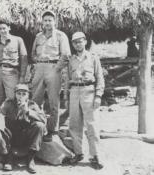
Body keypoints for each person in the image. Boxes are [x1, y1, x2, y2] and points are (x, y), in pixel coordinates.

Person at [64, 32, 105, 169]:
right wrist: (66, 97)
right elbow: (67, 80)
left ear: (85, 42)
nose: (77, 44)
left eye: (80, 41)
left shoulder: (93, 58)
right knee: (74, 125)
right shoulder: (71, 59)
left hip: (89, 91)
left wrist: (98, 95)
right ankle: (78, 153)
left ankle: (95, 156)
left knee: (92, 125)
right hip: (74, 92)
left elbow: (100, 78)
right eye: (75, 42)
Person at [30, 10, 71, 142]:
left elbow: (66, 55)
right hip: (39, 68)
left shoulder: (60, 36)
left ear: (55, 21)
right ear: (42, 22)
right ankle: (37, 127)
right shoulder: (38, 36)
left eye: (50, 20)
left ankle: (53, 130)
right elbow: (33, 54)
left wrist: (56, 68)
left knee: (54, 101)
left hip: (54, 68)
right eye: (45, 20)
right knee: (36, 99)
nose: (47, 23)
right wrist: (37, 64)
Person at [0, 84, 46, 174]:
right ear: (15, 94)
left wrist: (28, 111)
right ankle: (8, 159)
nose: (21, 96)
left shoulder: (32, 104)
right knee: (1, 127)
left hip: (26, 136)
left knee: (39, 126)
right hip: (12, 136)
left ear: (28, 95)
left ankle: (30, 159)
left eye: (24, 94)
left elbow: (43, 119)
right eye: (19, 93)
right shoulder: (8, 103)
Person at [0, 20, 28, 124]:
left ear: (9, 28)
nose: (2, 31)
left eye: (4, 28)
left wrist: (22, 77)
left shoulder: (18, 40)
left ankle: (14, 124)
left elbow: (24, 58)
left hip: (11, 72)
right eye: (0, 29)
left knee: (13, 98)